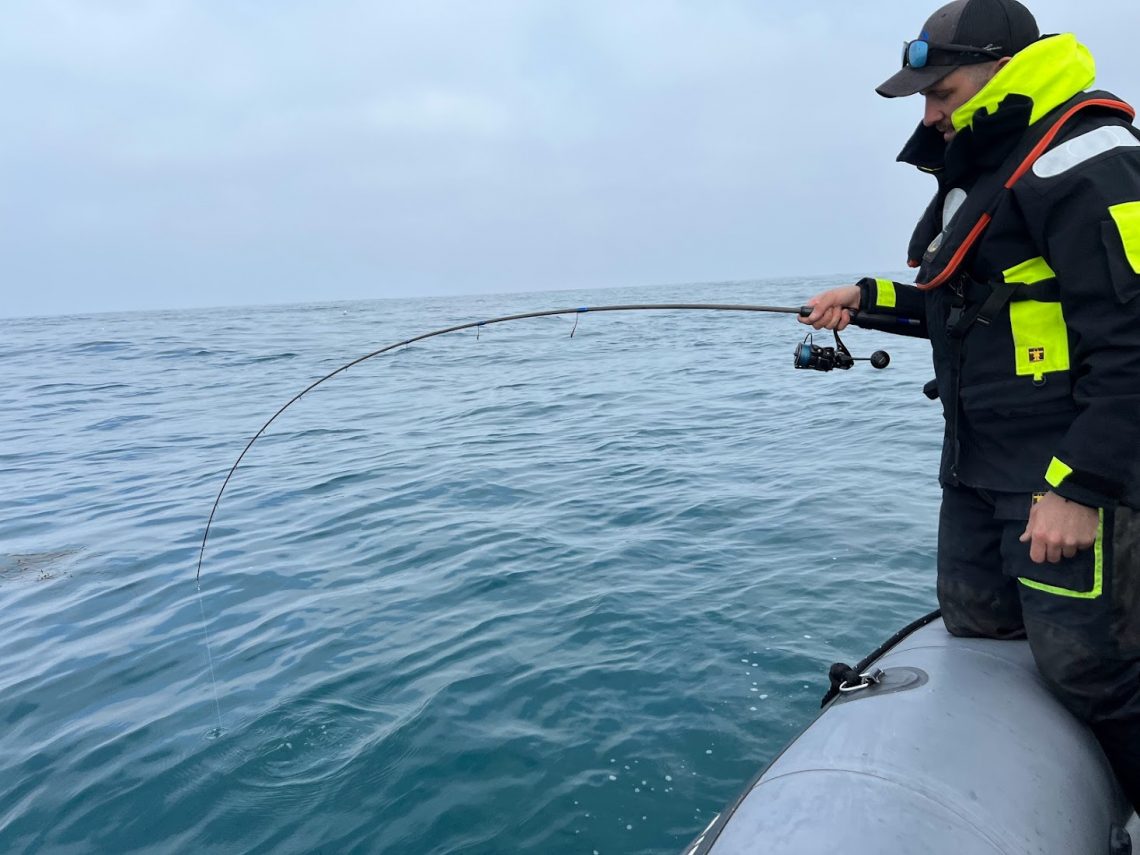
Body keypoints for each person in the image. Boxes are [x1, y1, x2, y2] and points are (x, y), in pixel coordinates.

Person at [802, 0, 1140, 811]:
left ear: (1001, 70)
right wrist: (868, 296)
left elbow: (1132, 342)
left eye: (941, 93)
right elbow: (964, 301)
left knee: (1091, 671)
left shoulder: (1089, 157)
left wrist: (1079, 488)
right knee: (977, 621)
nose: (931, 116)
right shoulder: (993, 165)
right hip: (978, 469)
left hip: (1059, 477)